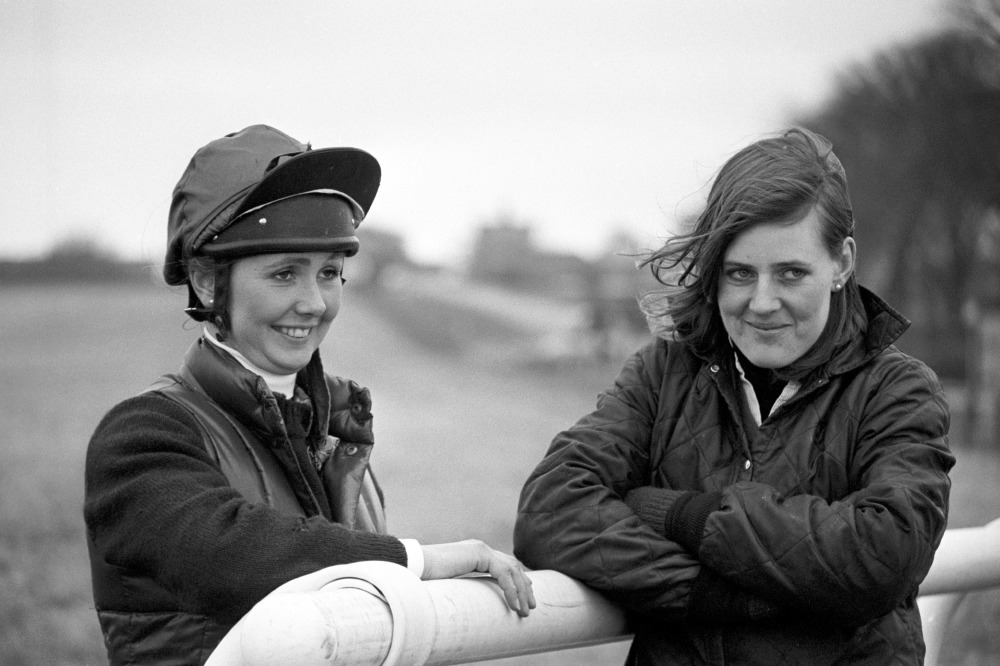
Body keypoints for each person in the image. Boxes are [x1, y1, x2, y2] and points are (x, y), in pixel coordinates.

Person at [84, 124, 534, 665]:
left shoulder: (335, 432)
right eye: (284, 274)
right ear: (206, 283)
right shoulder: (144, 434)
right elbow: (236, 556)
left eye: (329, 273)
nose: (314, 303)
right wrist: (418, 560)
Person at [513, 127, 952, 665]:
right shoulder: (664, 371)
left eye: (791, 273)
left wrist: (686, 517)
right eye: (740, 274)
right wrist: (722, 596)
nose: (762, 303)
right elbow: (549, 512)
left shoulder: (898, 392)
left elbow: (883, 556)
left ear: (841, 264)